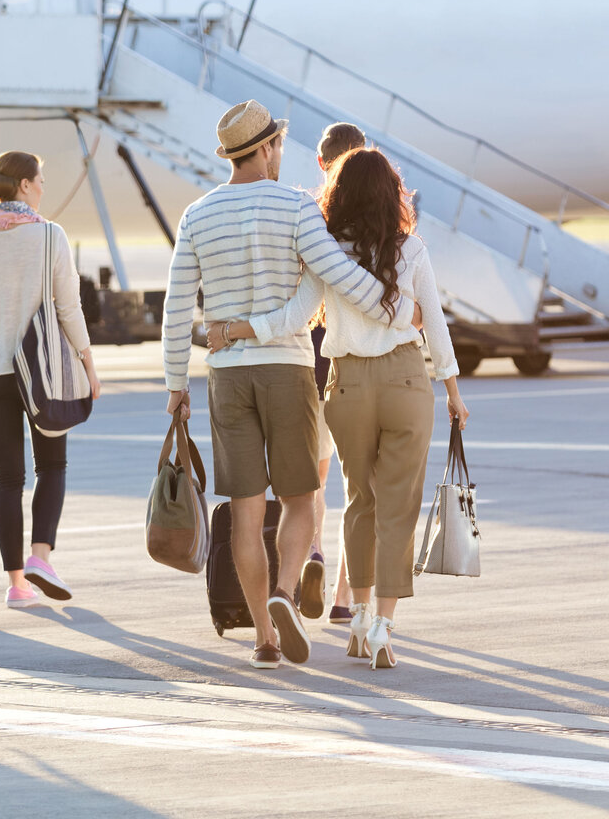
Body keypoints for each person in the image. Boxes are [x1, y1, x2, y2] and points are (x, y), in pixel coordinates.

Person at [162, 100, 416, 670]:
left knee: (246, 511)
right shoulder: (298, 206)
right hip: (288, 368)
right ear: (269, 148)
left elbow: (177, 308)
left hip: (227, 377)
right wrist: (395, 304)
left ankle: (263, 639)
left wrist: (175, 382)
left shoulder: (197, 215)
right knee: (301, 501)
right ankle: (284, 590)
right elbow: (336, 275)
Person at [211, 147, 470, 669]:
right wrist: (453, 389)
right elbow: (433, 322)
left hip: (346, 385)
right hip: (403, 379)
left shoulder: (328, 252)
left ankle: (351, 615)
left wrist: (238, 330)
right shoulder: (412, 249)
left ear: (338, 196)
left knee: (360, 500)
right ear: (392, 194)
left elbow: (298, 314)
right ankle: (381, 625)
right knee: (398, 505)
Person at [0, 150, 100, 610]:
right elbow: (69, 307)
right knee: (52, 466)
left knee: (8, 477)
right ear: (25, 186)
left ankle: (16, 585)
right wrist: (88, 366)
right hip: (45, 371)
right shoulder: (50, 236)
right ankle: (40, 557)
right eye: (41, 179)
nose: (45, 186)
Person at [303, 122, 365, 623]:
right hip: (364, 365)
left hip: (314, 358)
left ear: (322, 163)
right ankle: (345, 599)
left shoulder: (311, 218)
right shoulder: (385, 221)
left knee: (315, 478)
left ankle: (312, 553)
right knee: (360, 488)